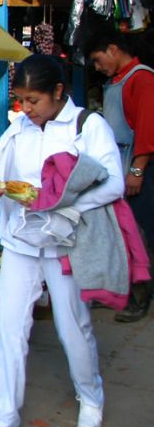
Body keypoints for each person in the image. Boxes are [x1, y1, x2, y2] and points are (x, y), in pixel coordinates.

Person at [0, 54, 124, 427]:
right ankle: (5, 417)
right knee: (11, 330)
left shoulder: (88, 126)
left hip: (64, 245)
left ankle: (91, 396)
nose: (26, 108)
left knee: (74, 326)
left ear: (58, 92)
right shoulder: (19, 128)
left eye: (33, 100)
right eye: (21, 100)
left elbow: (114, 183)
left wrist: (63, 205)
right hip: (21, 243)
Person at [86, 29, 154, 323]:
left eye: (98, 60)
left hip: (138, 169)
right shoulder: (116, 81)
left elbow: (148, 129)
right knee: (120, 235)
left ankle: (140, 299)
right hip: (121, 167)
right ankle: (120, 291)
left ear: (113, 49)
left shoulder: (142, 78)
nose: (98, 67)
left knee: (140, 236)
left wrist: (137, 171)